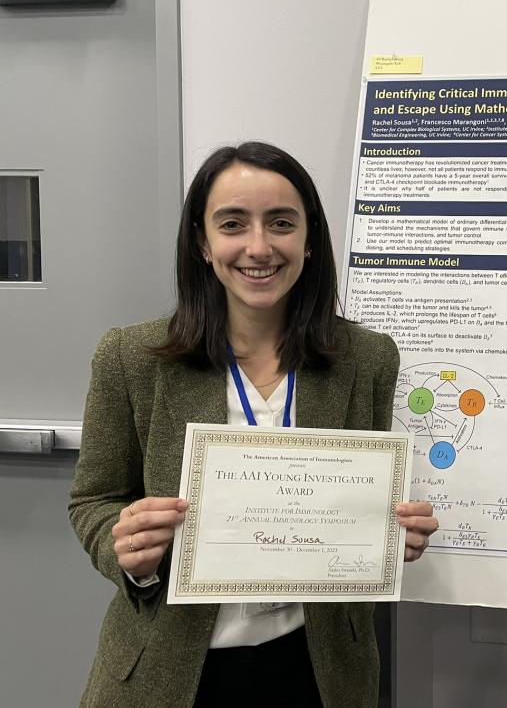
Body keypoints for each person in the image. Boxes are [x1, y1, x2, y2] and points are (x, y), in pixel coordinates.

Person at [68, 142, 438, 707]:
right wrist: (126, 550)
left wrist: (391, 534)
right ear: (202, 241)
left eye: (281, 223)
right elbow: (92, 501)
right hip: (170, 668)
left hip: (318, 669)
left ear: (309, 239)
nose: (258, 247)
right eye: (233, 223)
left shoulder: (366, 359)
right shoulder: (132, 358)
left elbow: (360, 502)